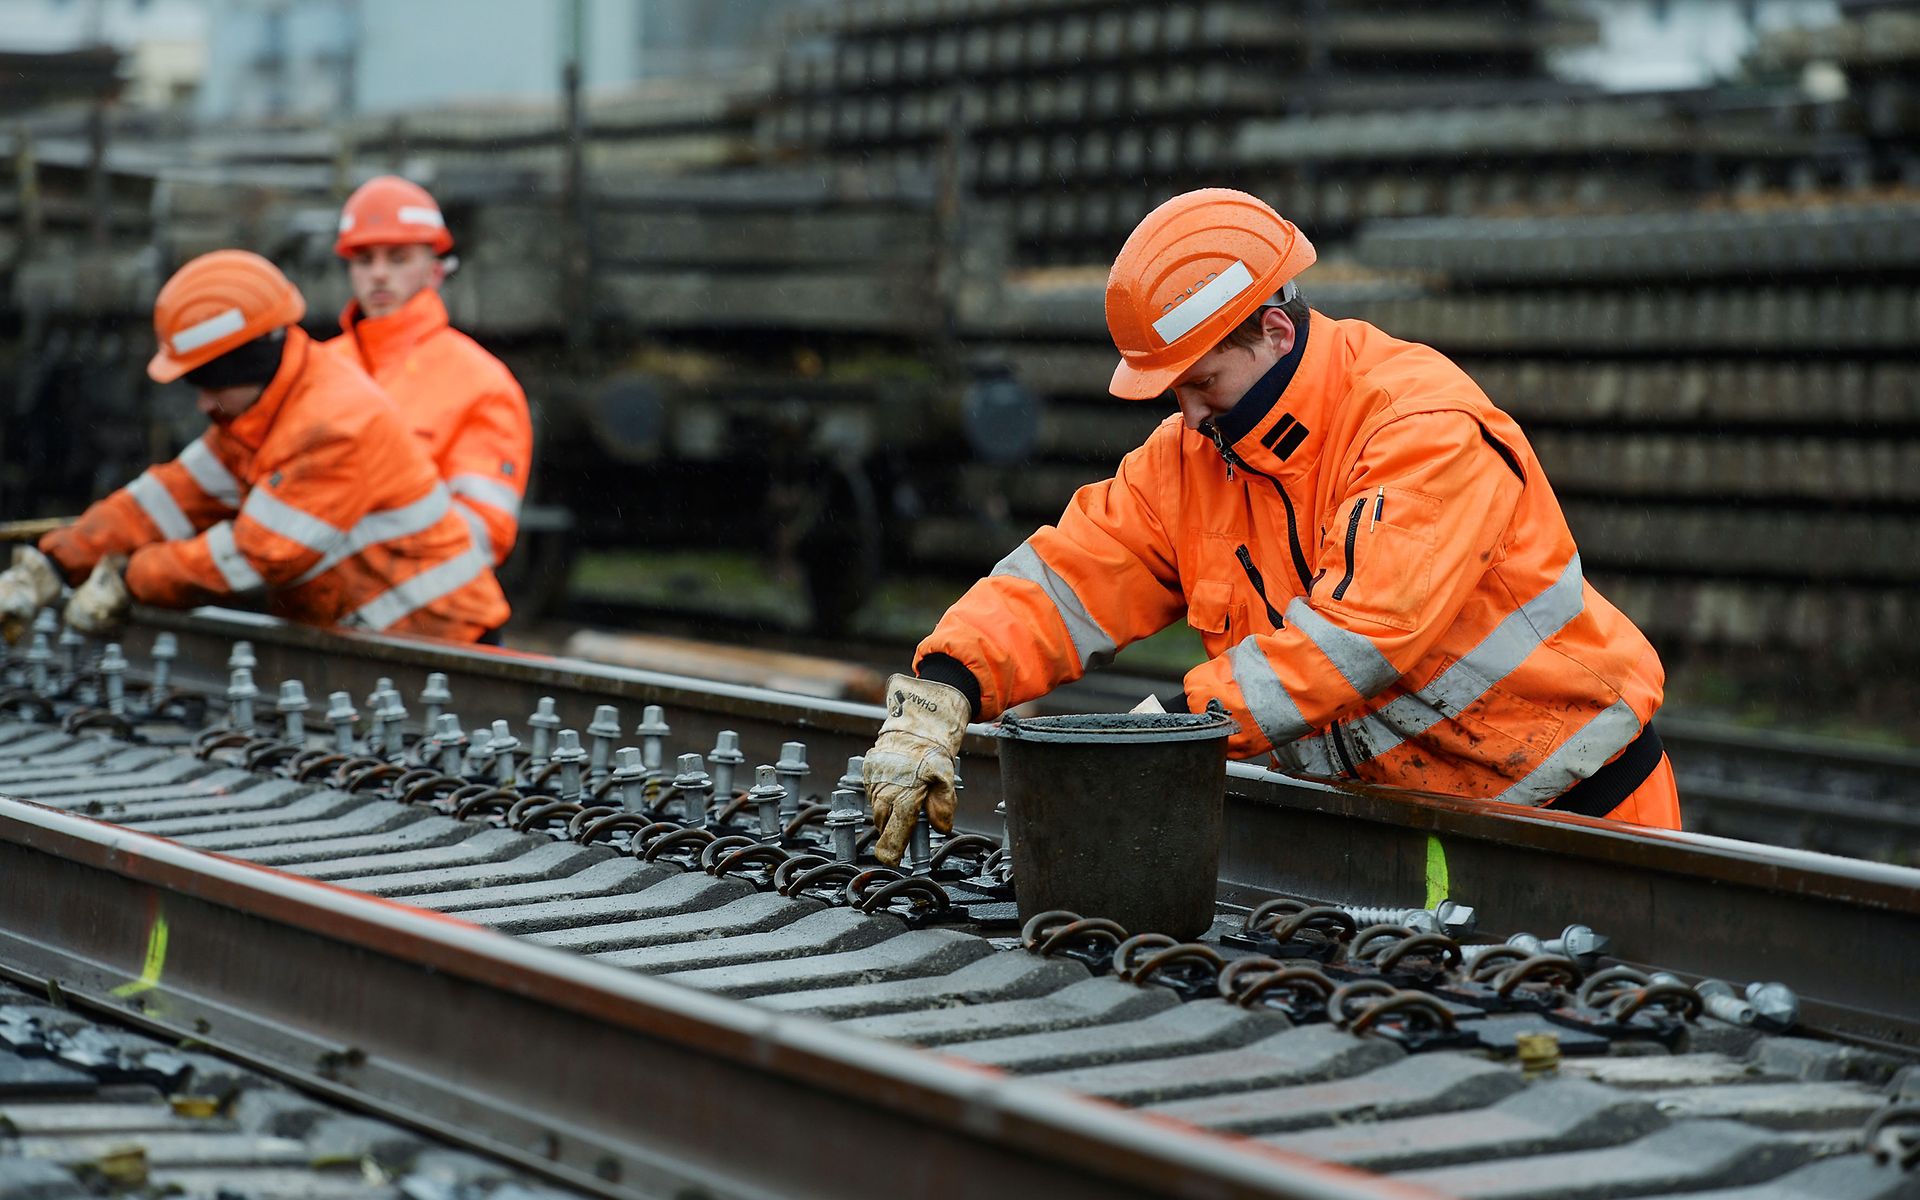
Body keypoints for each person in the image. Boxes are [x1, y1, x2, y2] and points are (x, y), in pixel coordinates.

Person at [863, 188, 1679, 866]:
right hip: (1416, 829)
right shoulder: (1194, 453)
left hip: (1582, 816)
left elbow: (1357, 637)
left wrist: (1165, 734)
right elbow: (1074, 571)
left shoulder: (1418, 425)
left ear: (1276, 333)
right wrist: (945, 684)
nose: (1186, 412)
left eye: (1203, 381)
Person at [9, 249, 509, 641]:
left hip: (445, 642)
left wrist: (129, 579)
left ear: (246, 363)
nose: (203, 402)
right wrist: (53, 562)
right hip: (368, 641)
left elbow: (256, 555)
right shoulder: (258, 414)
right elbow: (167, 498)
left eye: (208, 381)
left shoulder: (334, 423)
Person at [325, 175, 531, 572]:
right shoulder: (317, 370)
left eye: (398, 258)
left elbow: (482, 535)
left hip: (425, 624)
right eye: (365, 259)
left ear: (435, 272)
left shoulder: (482, 383)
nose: (379, 274)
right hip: (320, 619)